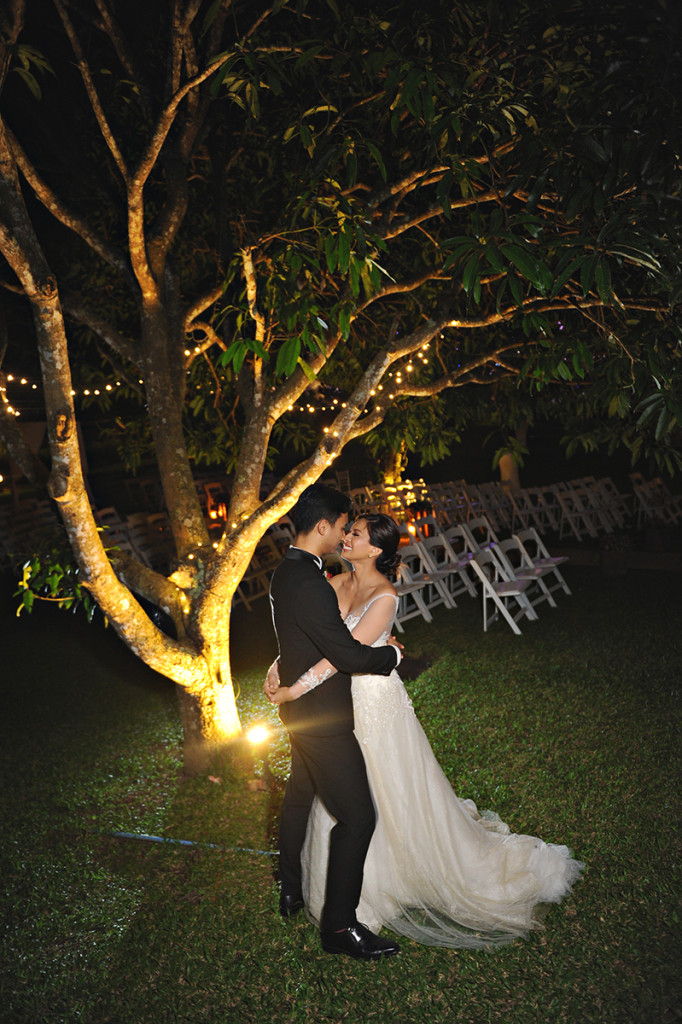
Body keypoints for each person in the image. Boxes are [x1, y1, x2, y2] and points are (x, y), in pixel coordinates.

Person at [267, 512, 584, 949]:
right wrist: (278, 670)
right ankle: (333, 886)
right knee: (337, 795)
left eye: (355, 534)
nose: (347, 538)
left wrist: (294, 688)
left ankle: (391, 878)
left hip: (373, 704)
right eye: (348, 530)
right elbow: (307, 637)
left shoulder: (384, 596)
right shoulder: (333, 583)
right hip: (334, 705)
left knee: (387, 788)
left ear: (374, 549)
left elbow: (345, 655)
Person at [268, 484, 403, 960]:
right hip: (323, 718)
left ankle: (290, 887)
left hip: (299, 714)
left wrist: (279, 677)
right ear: (323, 525)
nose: (346, 534)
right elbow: (344, 654)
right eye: (345, 526)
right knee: (359, 816)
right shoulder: (311, 581)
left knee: (299, 798)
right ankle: (340, 928)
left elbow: (293, 639)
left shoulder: (287, 573)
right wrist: (390, 654)